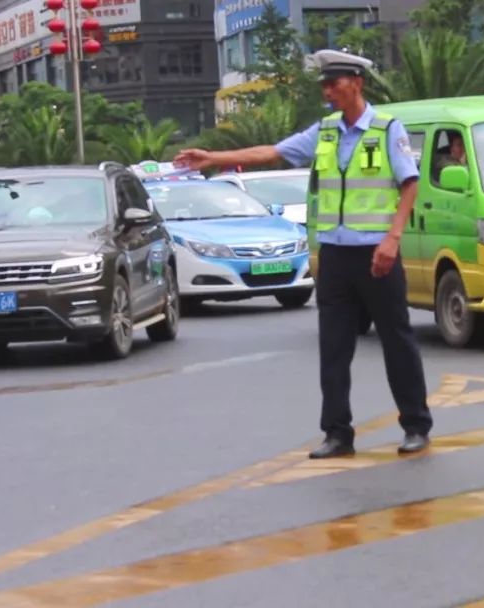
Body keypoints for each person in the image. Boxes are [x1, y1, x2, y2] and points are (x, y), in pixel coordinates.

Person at [173, 50, 433, 459]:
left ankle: (416, 425)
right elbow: (271, 153)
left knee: (397, 341)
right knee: (333, 348)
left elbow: (410, 184)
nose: (328, 91)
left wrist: (392, 238)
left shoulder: (386, 129)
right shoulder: (325, 131)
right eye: (324, 85)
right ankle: (336, 433)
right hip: (334, 256)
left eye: (334, 83)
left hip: (376, 255)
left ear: (357, 83)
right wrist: (214, 158)